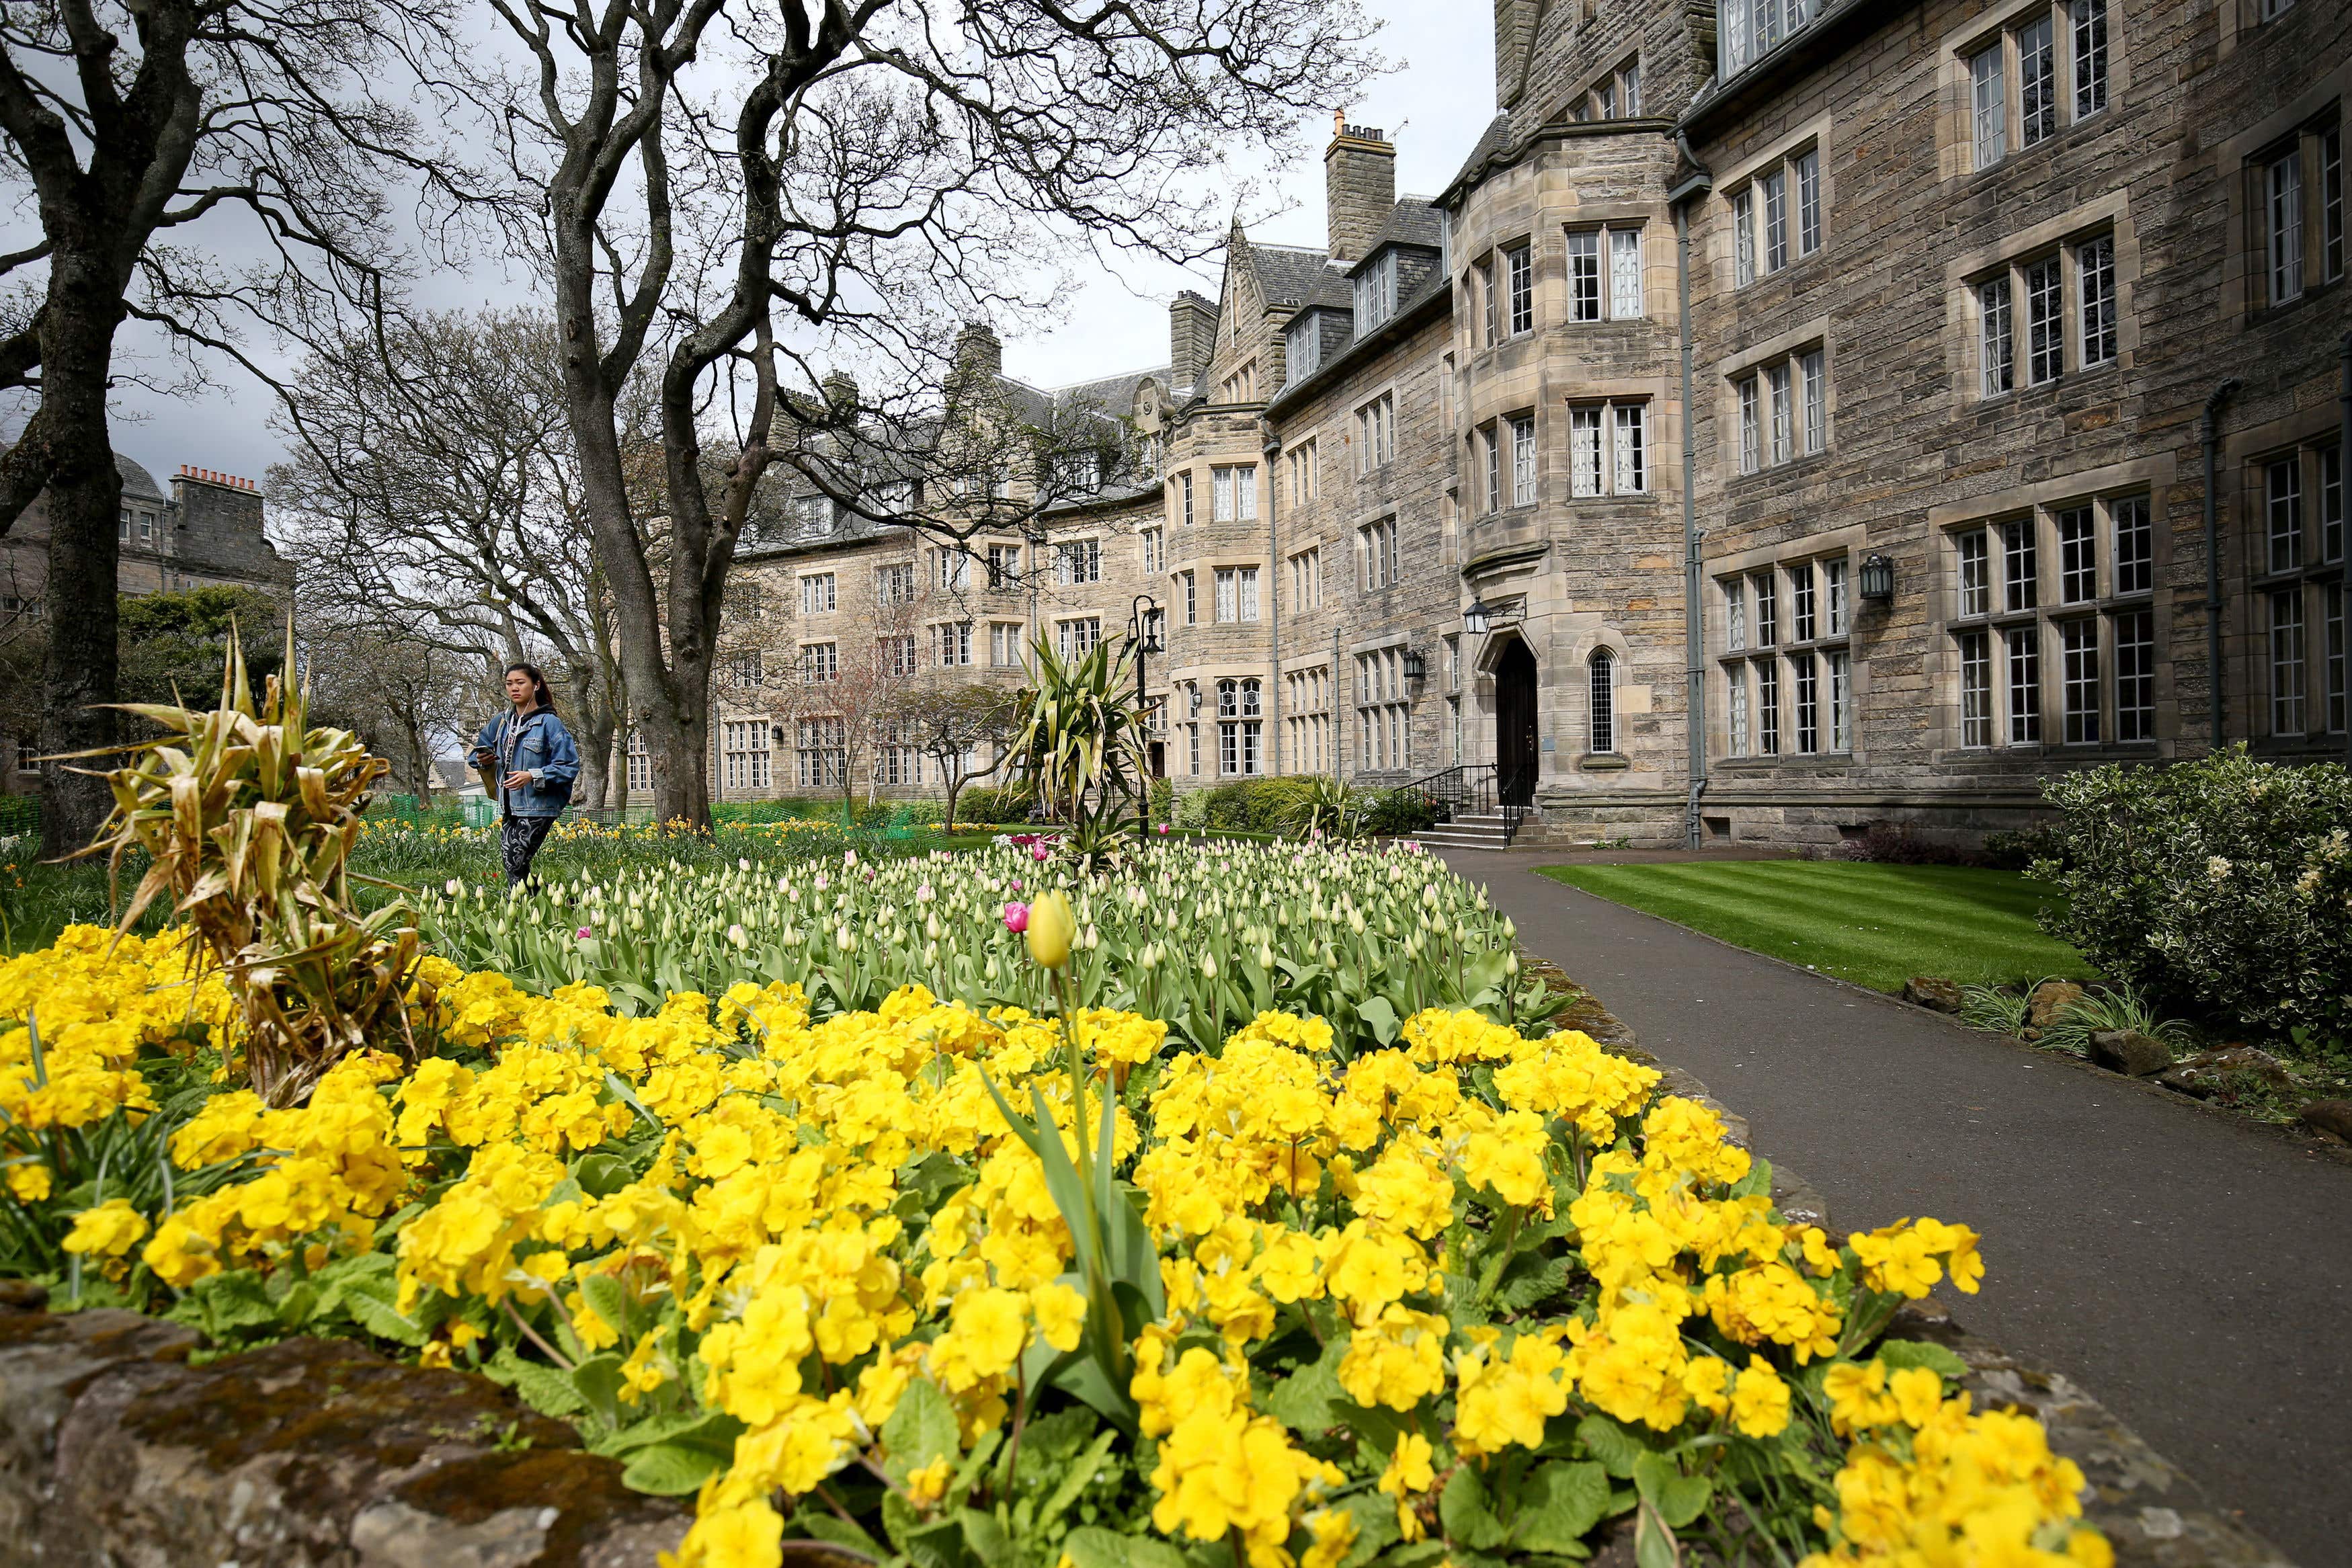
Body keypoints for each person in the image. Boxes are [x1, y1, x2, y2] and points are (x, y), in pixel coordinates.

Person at [469, 663, 579, 889]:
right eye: (510, 684)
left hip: (539, 805)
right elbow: (476, 754)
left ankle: (522, 907)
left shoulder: (550, 723)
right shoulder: (501, 723)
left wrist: (532, 775)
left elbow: (568, 765)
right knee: (513, 865)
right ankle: (553, 902)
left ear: (536, 685)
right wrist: (482, 758)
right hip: (510, 806)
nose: (514, 688)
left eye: (521, 683)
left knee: (514, 859)